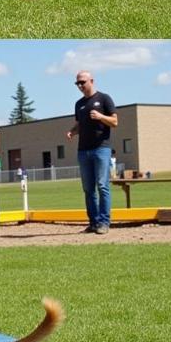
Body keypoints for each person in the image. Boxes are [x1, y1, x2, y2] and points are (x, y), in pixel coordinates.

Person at [66, 70, 118, 235]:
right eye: (78, 83)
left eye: (83, 82)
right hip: (83, 151)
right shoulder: (79, 104)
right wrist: (72, 131)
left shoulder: (104, 98)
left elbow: (115, 121)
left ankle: (104, 222)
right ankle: (94, 222)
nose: (80, 86)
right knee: (88, 189)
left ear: (92, 81)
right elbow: (79, 124)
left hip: (101, 148)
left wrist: (101, 116)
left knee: (102, 186)